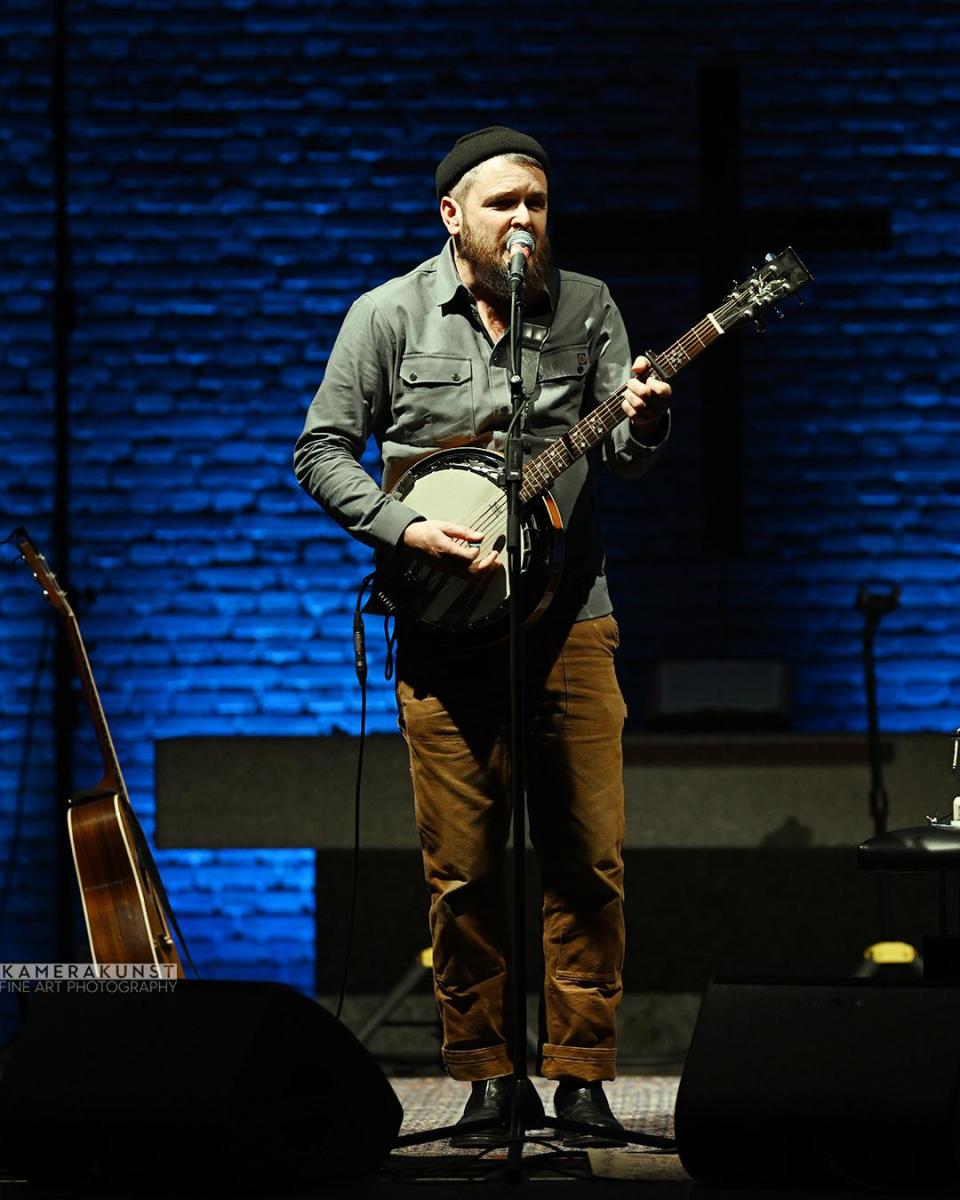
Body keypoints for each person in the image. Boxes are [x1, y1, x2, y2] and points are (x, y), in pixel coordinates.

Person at [294, 126, 671, 1146]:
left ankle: (582, 1074)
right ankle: (486, 1075)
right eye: (504, 203)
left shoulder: (586, 306)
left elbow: (624, 451)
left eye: (538, 203)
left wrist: (642, 418)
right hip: (441, 627)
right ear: (452, 215)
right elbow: (320, 450)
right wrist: (403, 528)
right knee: (461, 870)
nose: (525, 221)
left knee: (588, 859)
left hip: (571, 618)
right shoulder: (386, 314)